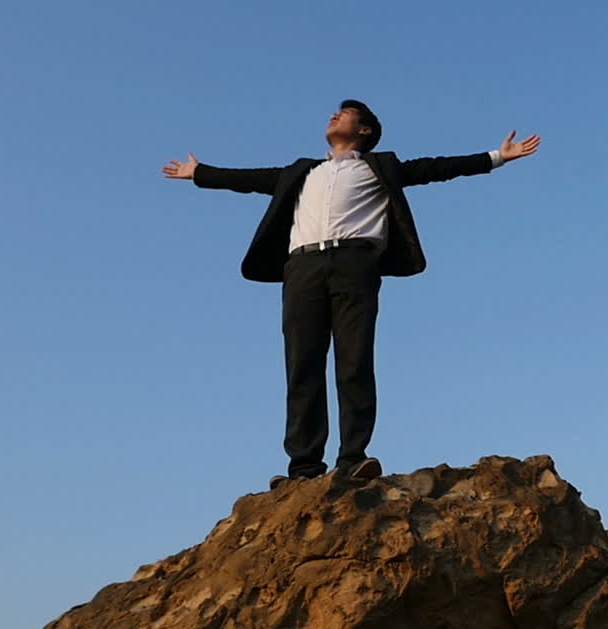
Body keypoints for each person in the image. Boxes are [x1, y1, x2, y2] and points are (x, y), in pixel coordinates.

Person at [161, 100, 541, 489]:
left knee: (354, 360)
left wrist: (497, 157)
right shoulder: (303, 171)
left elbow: (436, 168)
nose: (332, 116)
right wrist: (199, 173)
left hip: (355, 264)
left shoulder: (381, 167)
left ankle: (352, 458)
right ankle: (304, 467)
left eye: (343, 114)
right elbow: (249, 179)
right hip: (302, 267)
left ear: (365, 131)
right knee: (302, 365)